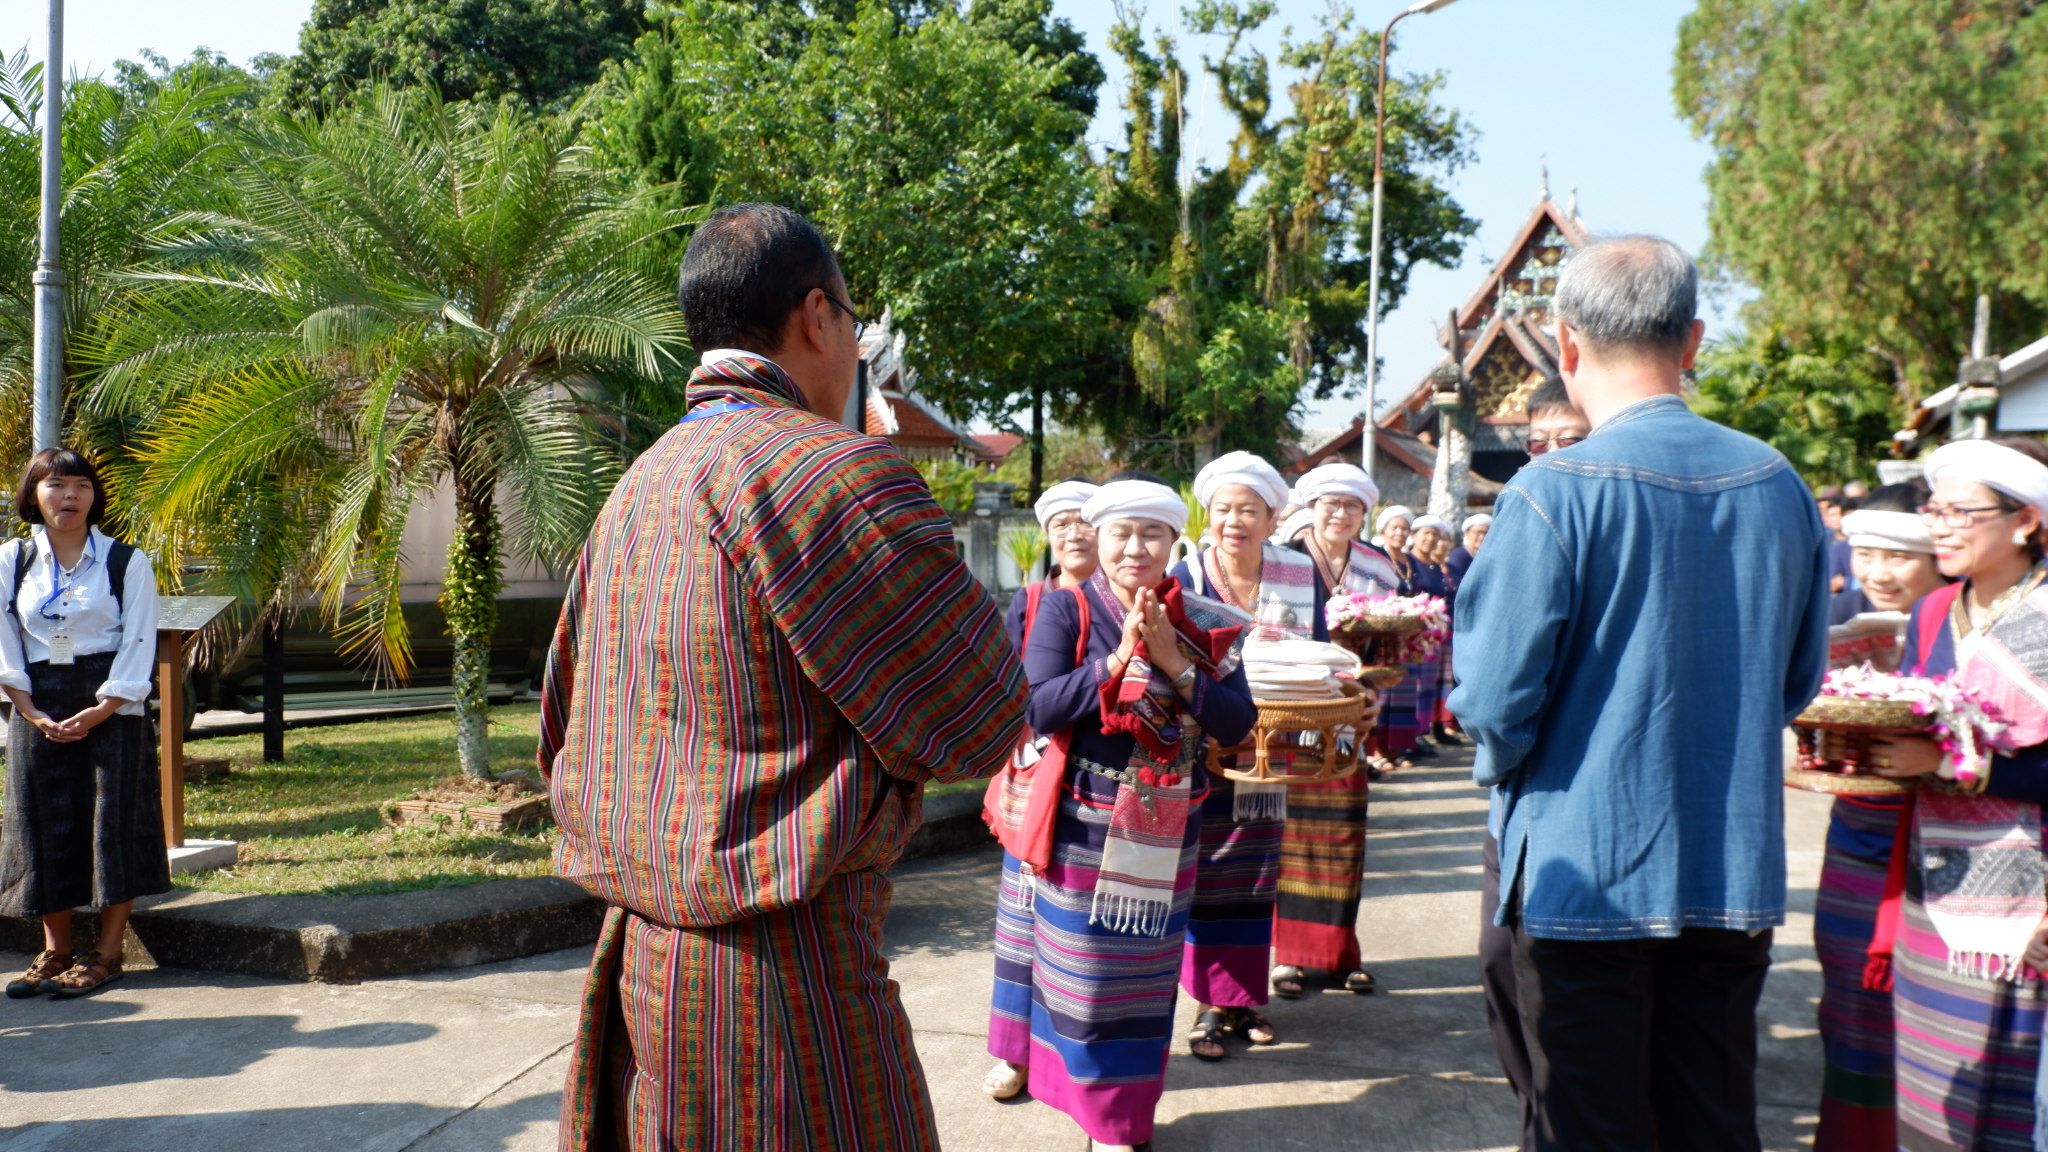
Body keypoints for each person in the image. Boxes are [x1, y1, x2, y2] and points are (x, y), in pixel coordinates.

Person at [539, 204, 1027, 1152]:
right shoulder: (833, 474)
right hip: (785, 985)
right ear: (817, 316)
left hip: (640, 972)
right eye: (853, 317)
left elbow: (559, 732)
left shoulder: (635, 489)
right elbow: (983, 712)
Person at [1451, 234, 1830, 1152]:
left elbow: (1495, 701)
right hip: (1727, 863)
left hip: (1584, 872)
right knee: (1711, 1118)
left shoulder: (1551, 492)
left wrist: (1510, 776)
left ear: (1566, 346)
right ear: (1693, 341)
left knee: (1588, 1124)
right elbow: (1795, 680)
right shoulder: (1777, 483)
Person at [985, 475, 1256, 1152]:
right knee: (1078, 970)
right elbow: (1039, 705)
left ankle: (1117, 1121)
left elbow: (1236, 723)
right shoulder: (1066, 608)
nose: (1135, 547)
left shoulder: (1209, 620)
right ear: (1100, 539)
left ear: (1173, 542)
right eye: (1121, 533)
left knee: (1139, 981)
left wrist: (1175, 664)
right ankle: (1044, 1070)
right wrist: (1118, 658)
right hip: (1082, 815)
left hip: (1167, 825)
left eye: (1151, 533)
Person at [1860, 437, 2048, 1152]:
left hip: (2028, 897)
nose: (1940, 525)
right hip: (1936, 881)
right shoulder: (1938, 609)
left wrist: (1951, 766)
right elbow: (1918, 723)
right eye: (1934, 509)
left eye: (1960, 512)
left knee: (2012, 1098)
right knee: (1933, 1091)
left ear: (2025, 520)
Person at [1806, 483, 1948, 1152]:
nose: (1877, 574)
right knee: (1853, 1000)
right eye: (1866, 553)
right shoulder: (1840, 612)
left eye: (1898, 557)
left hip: (1951, 840)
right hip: (1860, 831)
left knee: (1937, 1019)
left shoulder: (1974, 624)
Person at [1474, 380, 1592, 1152]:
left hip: (1583, 789)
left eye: (1568, 438)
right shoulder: (1527, 509)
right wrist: (1501, 759)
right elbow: (1491, 679)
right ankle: (1535, 1114)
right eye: (1536, 442)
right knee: (1497, 960)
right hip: (1521, 792)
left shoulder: (1606, 509)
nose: (1548, 455)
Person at [0, 448, 165, 999]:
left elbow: (139, 640)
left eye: (80, 485)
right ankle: (56, 950)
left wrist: (102, 708)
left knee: (111, 822)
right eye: (55, 485)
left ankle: (108, 955)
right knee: (42, 823)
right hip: (35, 701)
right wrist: (29, 710)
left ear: (94, 497)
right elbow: (3, 643)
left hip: (111, 704)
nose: (69, 496)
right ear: (33, 495)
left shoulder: (127, 562)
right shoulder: (11, 561)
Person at [1169, 451, 1314, 1060]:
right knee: (1207, 871)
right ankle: (1207, 1002)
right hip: (1206, 747)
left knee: (1255, 870)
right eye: (1224, 509)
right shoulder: (1189, 577)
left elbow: (1321, 650)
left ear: (1272, 517)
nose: (1235, 520)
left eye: (1248, 510)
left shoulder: (1298, 572)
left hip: (1273, 745)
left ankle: (1244, 996)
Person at [1273, 461, 1399, 999]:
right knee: (1291, 839)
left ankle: (1341, 951)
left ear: (1363, 513)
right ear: (1312, 506)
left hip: (1350, 717)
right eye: (1331, 503)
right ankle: (1290, 960)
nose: (1340, 513)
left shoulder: (1379, 566)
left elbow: (1394, 644)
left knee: (1343, 837)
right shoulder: (1285, 560)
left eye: (1352, 506)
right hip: (1292, 714)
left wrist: (1374, 694)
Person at [1006, 479, 1099, 648]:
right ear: (1048, 536)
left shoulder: (1123, 598)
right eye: (1061, 525)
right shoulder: (1027, 602)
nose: (1074, 536)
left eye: (1085, 523)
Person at [1406, 516, 1456, 752]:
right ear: (1413, 535)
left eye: (1434, 535)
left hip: (1436, 637)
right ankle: (1411, 735)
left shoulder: (1435, 567)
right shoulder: (1409, 563)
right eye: (1425, 533)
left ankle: (1423, 732)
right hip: (1414, 638)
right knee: (1414, 688)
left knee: (1431, 687)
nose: (1430, 539)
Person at [1448, 514, 1490, 582]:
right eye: (1478, 532)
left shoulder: (1486, 556)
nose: (1482, 537)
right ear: (1467, 533)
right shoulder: (1460, 555)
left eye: (1486, 533)